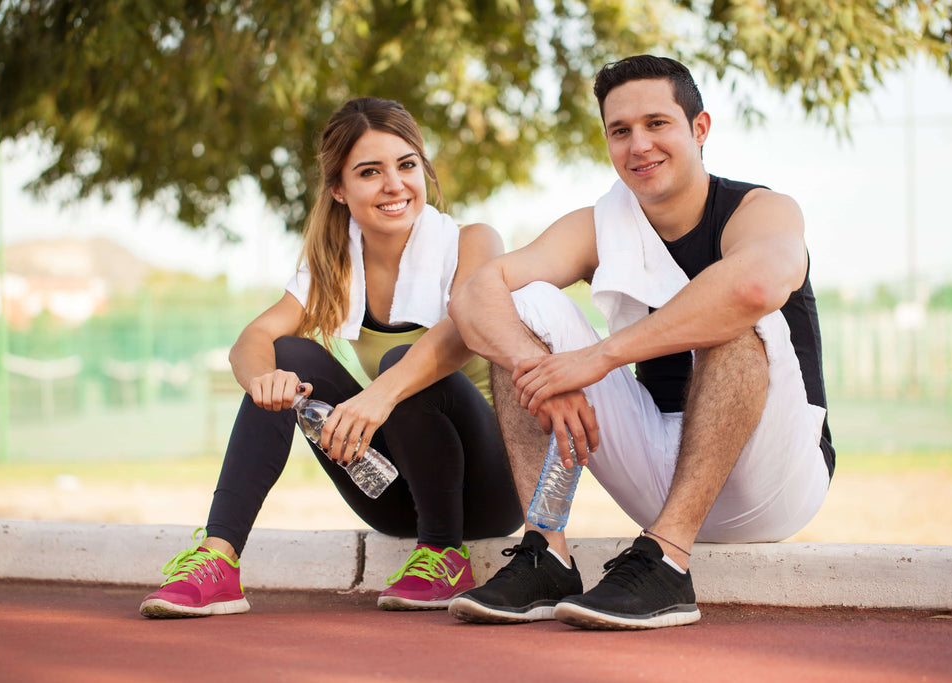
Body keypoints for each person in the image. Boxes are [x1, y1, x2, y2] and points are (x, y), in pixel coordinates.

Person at [446, 55, 834, 630]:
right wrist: (539, 371)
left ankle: (668, 566)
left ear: (699, 129)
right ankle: (545, 551)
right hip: (659, 468)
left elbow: (754, 283)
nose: (639, 145)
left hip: (773, 477)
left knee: (734, 318)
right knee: (520, 305)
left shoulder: (759, 209)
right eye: (620, 131)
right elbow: (477, 292)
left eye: (657, 124)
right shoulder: (603, 224)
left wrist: (598, 358)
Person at [139, 97, 521, 617]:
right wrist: (264, 380)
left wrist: (378, 397)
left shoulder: (473, 241)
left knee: (406, 363)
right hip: (395, 495)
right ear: (339, 189)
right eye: (370, 172)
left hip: (495, 487)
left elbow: (458, 337)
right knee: (285, 354)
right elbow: (250, 339)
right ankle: (218, 562)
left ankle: (444, 555)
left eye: (407, 166)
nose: (395, 185)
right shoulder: (335, 265)